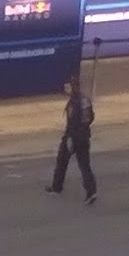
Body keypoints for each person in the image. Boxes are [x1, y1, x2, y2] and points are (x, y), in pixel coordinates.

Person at [45, 75, 97, 205]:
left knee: (62, 160)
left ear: (73, 87)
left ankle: (57, 187)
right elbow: (91, 117)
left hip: (73, 136)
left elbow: (72, 122)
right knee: (85, 165)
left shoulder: (74, 103)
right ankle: (91, 191)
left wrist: (69, 138)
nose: (65, 89)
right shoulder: (85, 100)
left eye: (67, 87)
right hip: (85, 136)